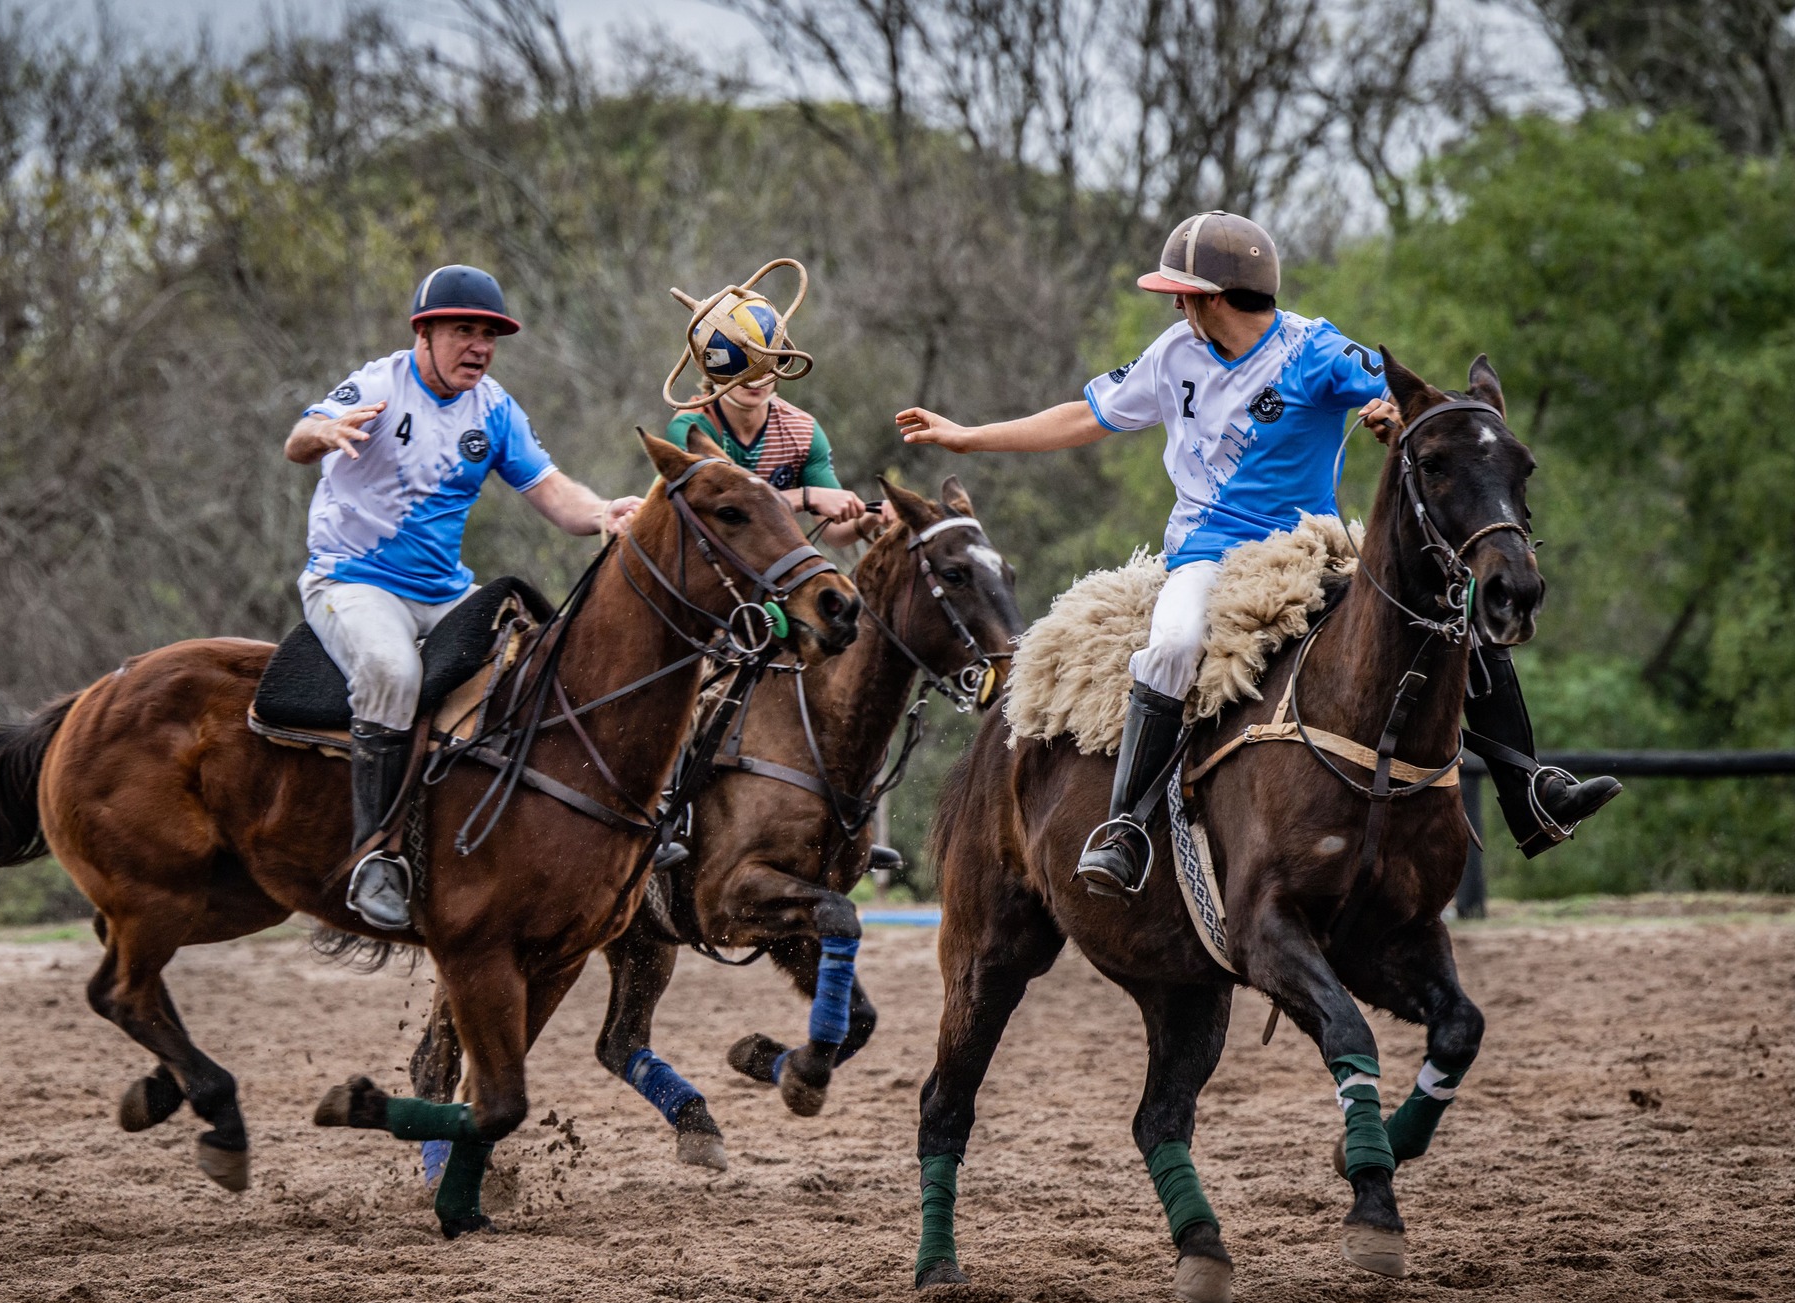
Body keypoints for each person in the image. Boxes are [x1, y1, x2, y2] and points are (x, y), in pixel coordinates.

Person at [895, 210, 1619, 895]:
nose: (1175, 308)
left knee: (1444, 608)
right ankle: (1126, 828)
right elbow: (1087, 415)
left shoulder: (1315, 348)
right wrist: (968, 435)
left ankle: (1528, 787)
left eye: (1181, 294)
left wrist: (1386, 408)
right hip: (1204, 552)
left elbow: (1401, 392)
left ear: (1210, 297)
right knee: (1173, 643)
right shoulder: (1173, 353)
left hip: (1307, 548)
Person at [285, 264, 644, 930]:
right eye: (464, 331)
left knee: (541, 663)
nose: (478, 346)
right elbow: (299, 437)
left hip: (445, 592)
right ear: (424, 332)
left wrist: (604, 514)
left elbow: (554, 494)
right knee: (393, 672)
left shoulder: (495, 410)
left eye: (489, 335)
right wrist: (323, 435)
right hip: (353, 582)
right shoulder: (379, 384)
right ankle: (375, 859)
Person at [667, 372, 871, 547]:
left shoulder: (802, 432)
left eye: (766, 364)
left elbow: (835, 531)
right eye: (741, 363)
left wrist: (876, 515)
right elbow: (723, 510)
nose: (757, 377)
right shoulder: (692, 426)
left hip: (764, 565)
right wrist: (806, 497)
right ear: (714, 368)